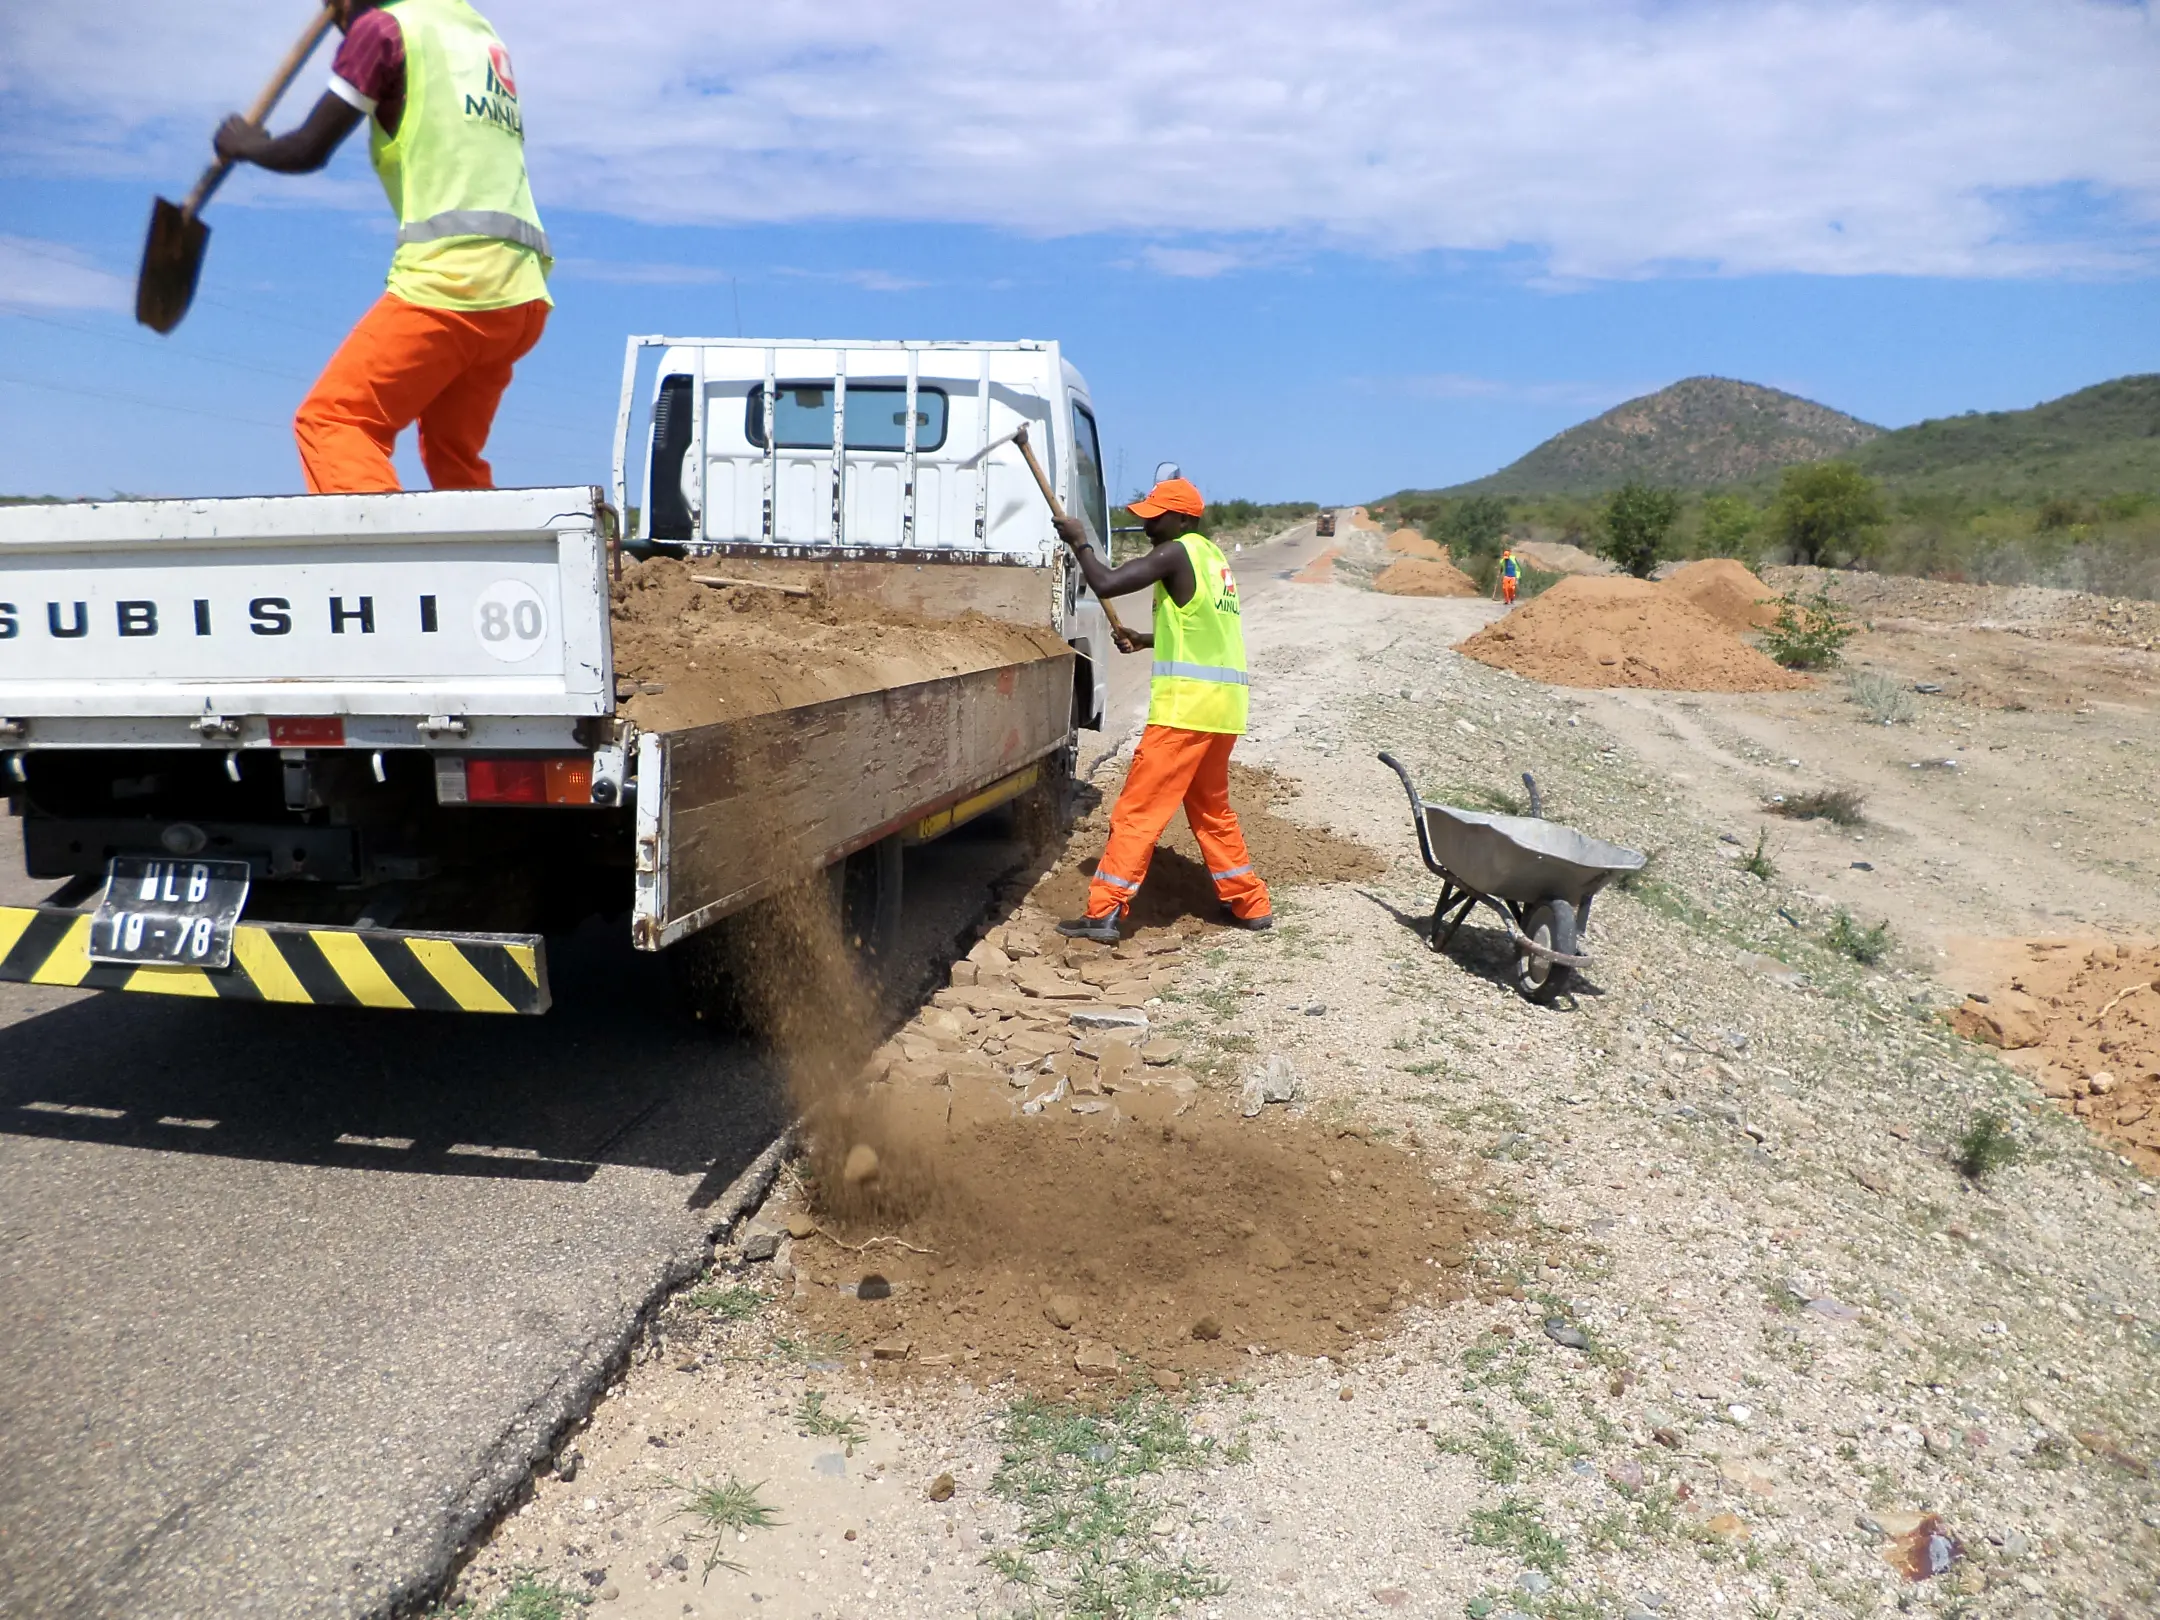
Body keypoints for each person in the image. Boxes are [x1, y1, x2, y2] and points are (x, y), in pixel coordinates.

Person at [213, 0, 551, 494]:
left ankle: (388, 567)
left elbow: (309, 148)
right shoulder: (475, 31)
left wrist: (245, 145)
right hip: (520, 295)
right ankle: (489, 567)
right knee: (452, 453)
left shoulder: (384, 31)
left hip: (451, 287)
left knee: (334, 422)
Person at [1050, 475, 1272, 942]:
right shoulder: (1213, 560)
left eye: (1156, 517)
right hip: (1221, 713)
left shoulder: (1175, 552)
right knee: (1212, 811)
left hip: (1183, 715)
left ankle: (1105, 912)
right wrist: (1147, 638)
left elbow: (1107, 581)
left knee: (1137, 812)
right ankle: (1250, 903)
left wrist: (1080, 543)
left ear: (1184, 518)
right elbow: (1203, 632)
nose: (1149, 526)